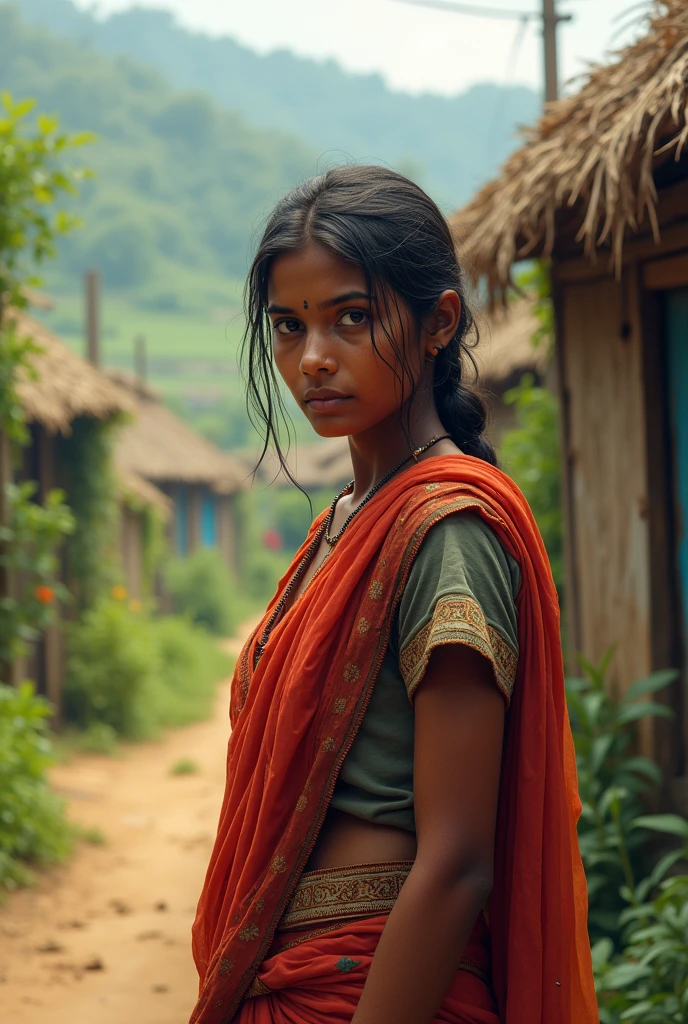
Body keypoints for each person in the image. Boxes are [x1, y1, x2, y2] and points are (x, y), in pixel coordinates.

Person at [190, 165, 597, 1024]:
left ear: (438, 322)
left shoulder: (446, 530)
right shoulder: (342, 522)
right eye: (288, 327)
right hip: (293, 976)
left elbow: (456, 860)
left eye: (352, 317)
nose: (313, 358)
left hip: (375, 988)